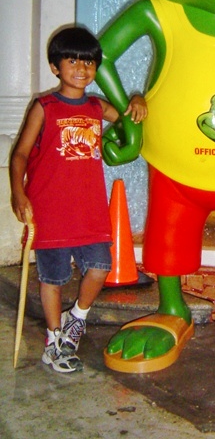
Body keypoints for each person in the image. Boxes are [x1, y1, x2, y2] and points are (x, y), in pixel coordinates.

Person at [10, 27, 147, 373]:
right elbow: (20, 154)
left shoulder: (96, 107)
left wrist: (137, 99)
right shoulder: (45, 107)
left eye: (88, 62)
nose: (81, 68)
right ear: (55, 67)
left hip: (88, 209)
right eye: (72, 61)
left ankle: (77, 318)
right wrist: (17, 192)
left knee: (100, 267)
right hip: (50, 210)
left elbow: (128, 118)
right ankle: (54, 342)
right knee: (53, 279)